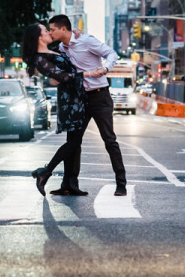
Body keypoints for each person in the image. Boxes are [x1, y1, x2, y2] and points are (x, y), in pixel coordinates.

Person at [49, 15, 127, 197]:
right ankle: (69, 185)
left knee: (109, 140)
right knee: (73, 142)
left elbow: (111, 53)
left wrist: (106, 68)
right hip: (79, 99)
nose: (51, 32)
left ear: (63, 29)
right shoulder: (60, 48)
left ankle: (121, 184)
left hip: (100, 96)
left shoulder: (87, 41)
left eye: (52, 29)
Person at [22, 23, 102, 197]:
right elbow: (61, 76)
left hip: (77, 97)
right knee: (74, 142)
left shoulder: (53, 51)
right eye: (45, 31)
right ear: (38, 37)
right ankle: (45, 172)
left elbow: (69, 46)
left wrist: (75, 33)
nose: (49, 32)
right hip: (69, 102)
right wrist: (88, 74)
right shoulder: (40, 58)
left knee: (75, 142)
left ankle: (69, 184)